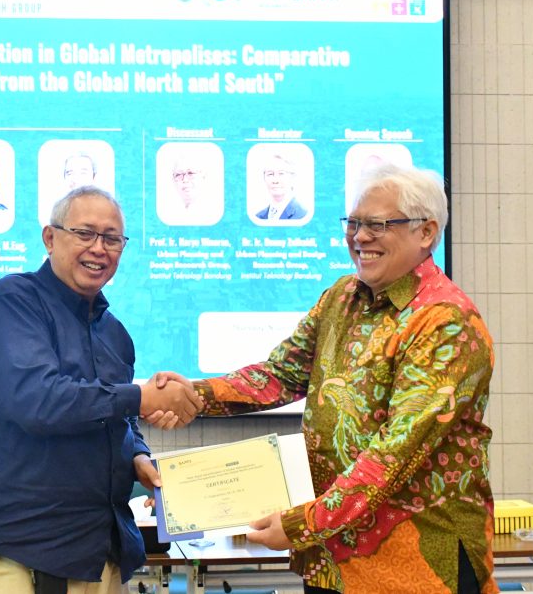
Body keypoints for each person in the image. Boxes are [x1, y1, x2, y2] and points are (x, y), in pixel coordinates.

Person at [164, 164, 497, 593]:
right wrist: (192, 395)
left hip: (417, 565)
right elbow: (279, 375)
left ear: (427, 232)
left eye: (377, 225)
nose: (360, 237)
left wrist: (301, 524)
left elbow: (394, 455)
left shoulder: (446, 322)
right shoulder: (341, 297)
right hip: (331, 557)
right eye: (353, 223)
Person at [0, 185, 203, 594]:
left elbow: (120, 420)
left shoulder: (115, 334)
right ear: (50, 237)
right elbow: (38, 400)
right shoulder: (14, 301)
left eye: (112, 239)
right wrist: (143, 397)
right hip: (30, 549)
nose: (99, 248)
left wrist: (139, 456)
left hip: (103, 549)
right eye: (85, 233)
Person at [255, 152, 308, 221]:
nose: (275, 180)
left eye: (281, 173)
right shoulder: (258, 218)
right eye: (270, 174)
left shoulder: (303, 216)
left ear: (293, 177)